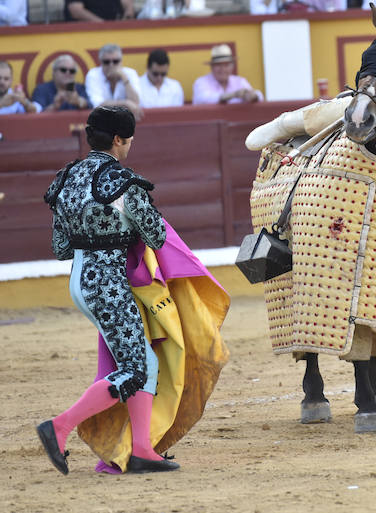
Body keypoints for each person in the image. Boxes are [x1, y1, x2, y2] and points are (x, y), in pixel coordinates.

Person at [37, 105, 182, 475]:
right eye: (128, 140)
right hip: (108, 286)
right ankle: (60, 426)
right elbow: (157, 236)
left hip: (80, 281)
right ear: (118, 140)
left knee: (143, 362)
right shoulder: (122, 182)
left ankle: (142, 449)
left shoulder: (66, 178)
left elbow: (61, 249)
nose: (129, 146)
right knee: (136, 368)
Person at [192, 44, 263, 104]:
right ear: (212, 67)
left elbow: (259, 96)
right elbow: (201, 99)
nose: (223, 69)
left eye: (226, 65)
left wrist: (253, 96)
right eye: (218, 65)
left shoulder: (239, 81)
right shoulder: (202, 82)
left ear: (232, 67)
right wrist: (233, 95)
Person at [85, 44, 142, 119]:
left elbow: (136, 102)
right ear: (100, 62)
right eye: (106, 62)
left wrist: (124, 78)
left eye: (115, 61)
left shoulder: (130, 73)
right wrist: (125, 104)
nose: (111, 65)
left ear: (121, 61)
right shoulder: (93, 75)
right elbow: (97, 105)